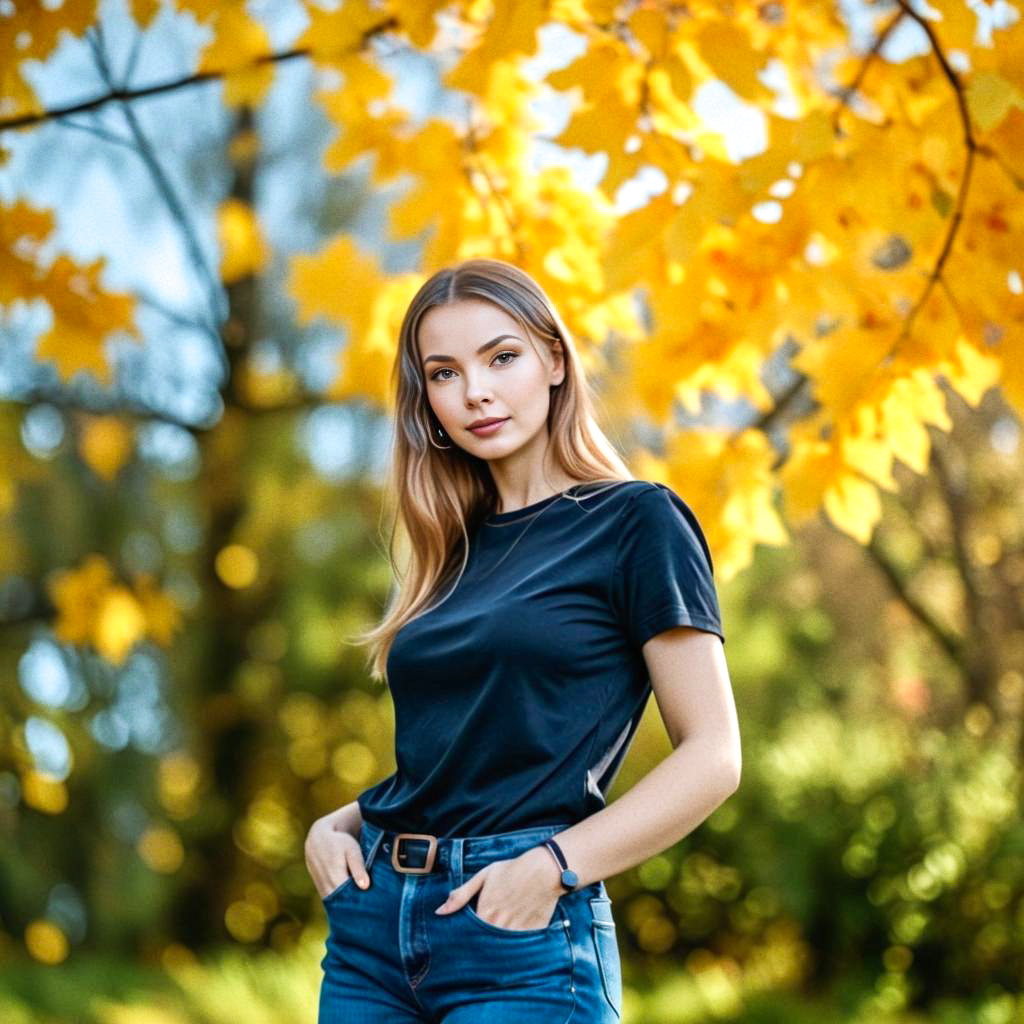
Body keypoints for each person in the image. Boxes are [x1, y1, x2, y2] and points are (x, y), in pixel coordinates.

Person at [305, 258, 741, 1023]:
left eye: (500, 357)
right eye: (444, 373)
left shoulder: (636, 523)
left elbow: (713, 755)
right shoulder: (451, 551)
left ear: (554, 360)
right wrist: (338, 824)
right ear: (427, 402)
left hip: (519, 936)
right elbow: (467, 756)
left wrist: (553, 869)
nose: (474, 391)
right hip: (372, 933)